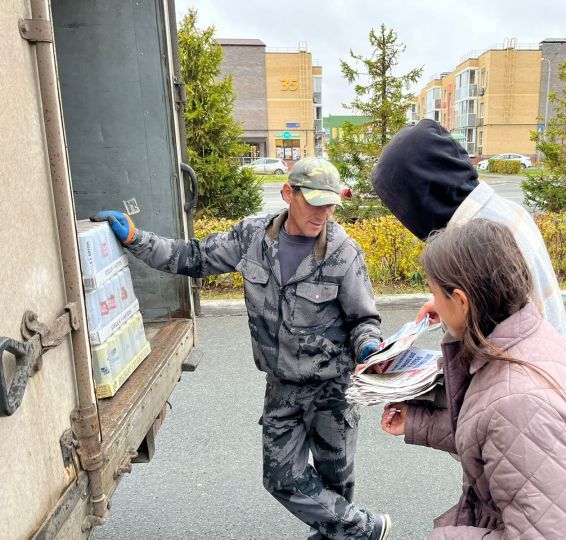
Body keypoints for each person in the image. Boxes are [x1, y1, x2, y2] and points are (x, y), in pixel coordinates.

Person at [93, 158, 392, 540]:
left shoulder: (342, 251)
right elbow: (193, 257)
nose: (323, 213)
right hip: (282, 385)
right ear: (289, 194)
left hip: (333, 389)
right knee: (280, 476)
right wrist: (136, 238)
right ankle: (365, 529)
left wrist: (370, 346)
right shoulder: (253, 237)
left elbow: (364, 319)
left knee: (335, 487)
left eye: (330, 204)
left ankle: (347, 533)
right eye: (315, 202)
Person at [380, 219, 566, 539]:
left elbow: (513, 429)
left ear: (462, 301)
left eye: (436, 293)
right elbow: (493, 435)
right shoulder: (530, 335)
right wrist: (416, 422)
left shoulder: (519, 405)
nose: (432, 302)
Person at [371, 119, 566, 341]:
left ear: (419, 196)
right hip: (552, 360)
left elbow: (488, 350)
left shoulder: (478, 245)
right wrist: (446, 307)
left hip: (520, 371)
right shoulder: (505, 212)